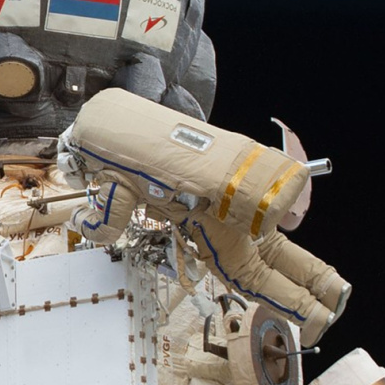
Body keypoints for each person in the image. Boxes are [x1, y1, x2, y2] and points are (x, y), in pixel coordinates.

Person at [57, 88, 350, 347]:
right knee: (271, 245)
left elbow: (105, 230)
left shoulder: (110, 173)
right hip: (240, 178)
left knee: (247, 273)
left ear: (78, 161)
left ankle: (310, 315)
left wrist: (77, 216)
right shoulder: (122, 117)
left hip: (206, 214)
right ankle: (331, 285)